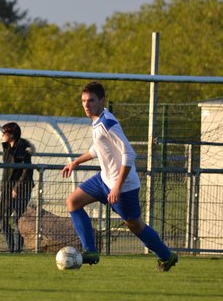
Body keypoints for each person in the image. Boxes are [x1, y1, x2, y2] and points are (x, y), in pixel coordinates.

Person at [62, 81, 178, 272]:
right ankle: (90, 251)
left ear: (102, 100)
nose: (86, 104)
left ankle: (167, 256)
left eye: (90, 100)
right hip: (103, 180)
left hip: (123, 187)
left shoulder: (108, 122)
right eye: (83, 100)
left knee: (134, 224)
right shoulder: (97, 121)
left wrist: (116, 187)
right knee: (73, 202)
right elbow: (96, 149)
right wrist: (76, 162)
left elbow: (129, 153)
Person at [0, 122, 35, 253]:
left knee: (17, 219)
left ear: (12, 134)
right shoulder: (6, 149)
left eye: (5, 132)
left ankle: (17, 250)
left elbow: (26, 171)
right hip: (7, 188)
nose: (3, 135)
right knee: (3, 219)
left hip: (21, 189)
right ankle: (11, 249)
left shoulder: (24, 151)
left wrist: (17, 188)